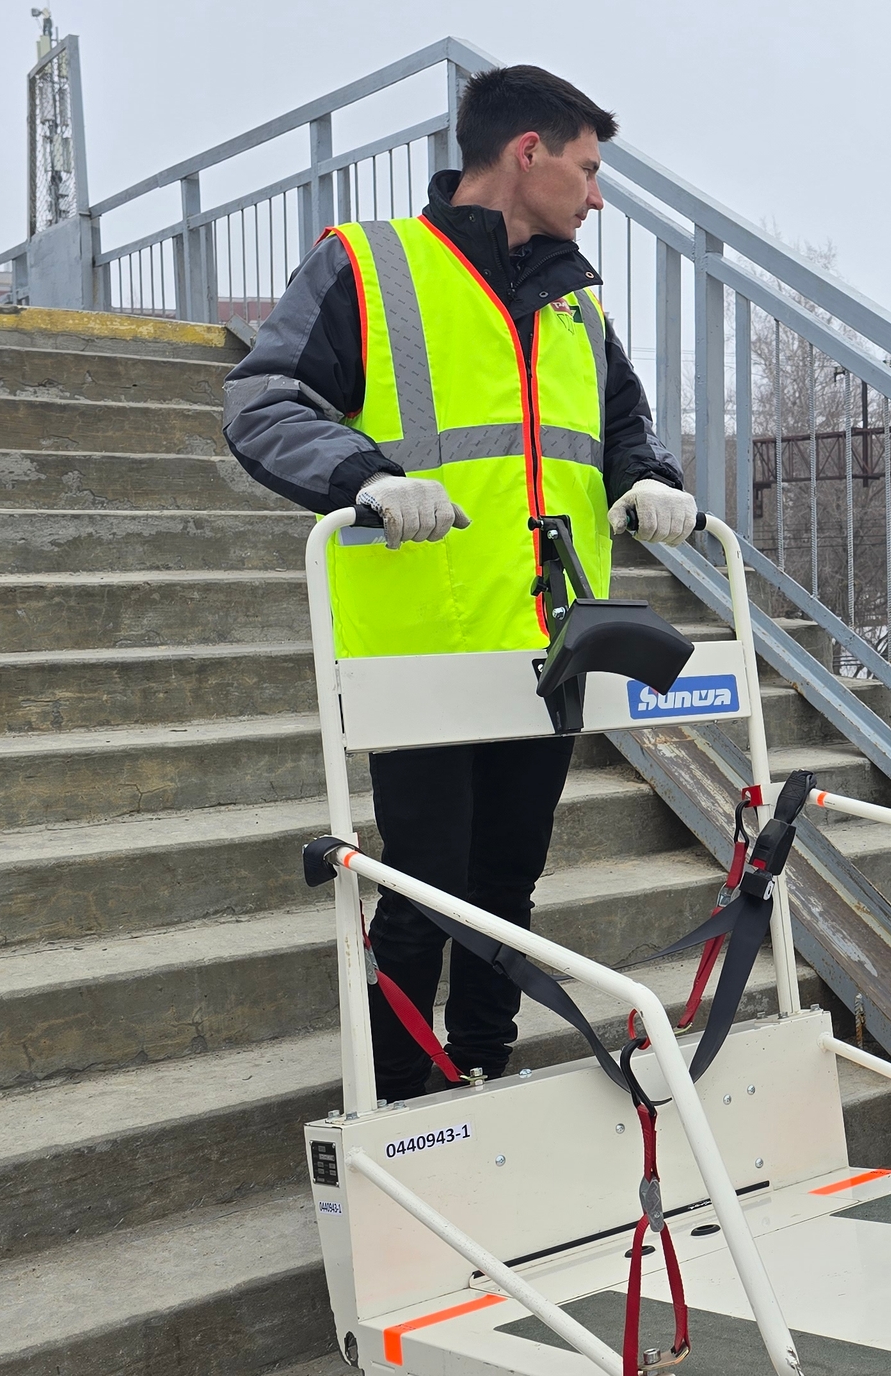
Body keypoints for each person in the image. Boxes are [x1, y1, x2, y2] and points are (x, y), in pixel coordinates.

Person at [223, 65, 700, 1104]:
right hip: (424, 642)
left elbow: (622, 425)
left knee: (507, 884)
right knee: (426, 887)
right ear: (526, 152)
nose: (597, 194)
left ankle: (484, 1060)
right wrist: (367, 479)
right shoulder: (370, 265)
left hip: (550, 642)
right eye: (586, 169)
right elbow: (260, 402)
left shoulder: (576, 300)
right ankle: (407, 1095)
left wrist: (652, 479)